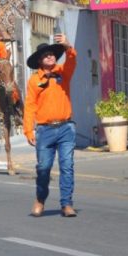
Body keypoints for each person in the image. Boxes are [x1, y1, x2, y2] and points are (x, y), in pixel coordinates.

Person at [23, 35, 78, 218]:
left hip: (66, 128)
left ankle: (67, 204)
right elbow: (30, 106)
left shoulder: (64, 72)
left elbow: (71, 59)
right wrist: (28, 130)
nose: (50, 57)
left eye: (52, 54)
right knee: (44, 168)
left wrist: (67, 46)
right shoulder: (33, 80)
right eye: (45, 55)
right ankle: (40, 199)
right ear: (39, 60)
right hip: (44, 130)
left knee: (67, 166)